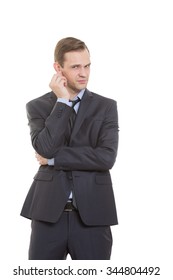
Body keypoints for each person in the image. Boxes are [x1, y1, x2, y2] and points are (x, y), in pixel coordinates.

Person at [21, 37, 119, 260]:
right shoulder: (37, 106)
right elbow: (45, 147)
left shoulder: (106, 107)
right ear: (58, 68)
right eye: (75, 67)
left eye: (87, 65)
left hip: (93, 214)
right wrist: (63, 102)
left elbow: (106, 158)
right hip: (47, 213)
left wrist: (54, 160)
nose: (83, 73)